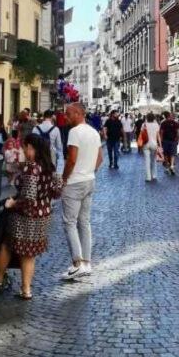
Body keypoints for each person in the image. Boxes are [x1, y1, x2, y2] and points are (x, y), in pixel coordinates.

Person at [0, 133, 63, 299]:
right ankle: (26, 290)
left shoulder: (32, 168)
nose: (23, 151)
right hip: (43, 216)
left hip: (25, 217)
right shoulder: (50, 167)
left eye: (25, 147)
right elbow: (57, 192)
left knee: (7, 244)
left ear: (31, 148)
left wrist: (13, 203)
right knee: (29, 254)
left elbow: (28, 197)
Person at [61, 103, 103, 280]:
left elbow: (71, 159)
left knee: (69, 222)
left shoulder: (74, 132)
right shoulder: (94, 132)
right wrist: (89, 171)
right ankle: (87, 262)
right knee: (84, 222)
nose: (66, 117)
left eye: (69, 114)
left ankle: (77, 264)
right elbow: (100, 158)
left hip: (74, 182)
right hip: (89, 180)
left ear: (79, 113)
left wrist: (64, 178)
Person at [140, 113, 161, 182]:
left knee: (147, 161)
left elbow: (141, 134)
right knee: (153, 160)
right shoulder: (156, 125)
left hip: (146, 144)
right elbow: (158, 136)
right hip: (154, 144)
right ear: (154, 118)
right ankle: (154, 175)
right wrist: (160, 145)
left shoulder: (144, 125)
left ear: (147, 118)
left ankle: (148, 177)